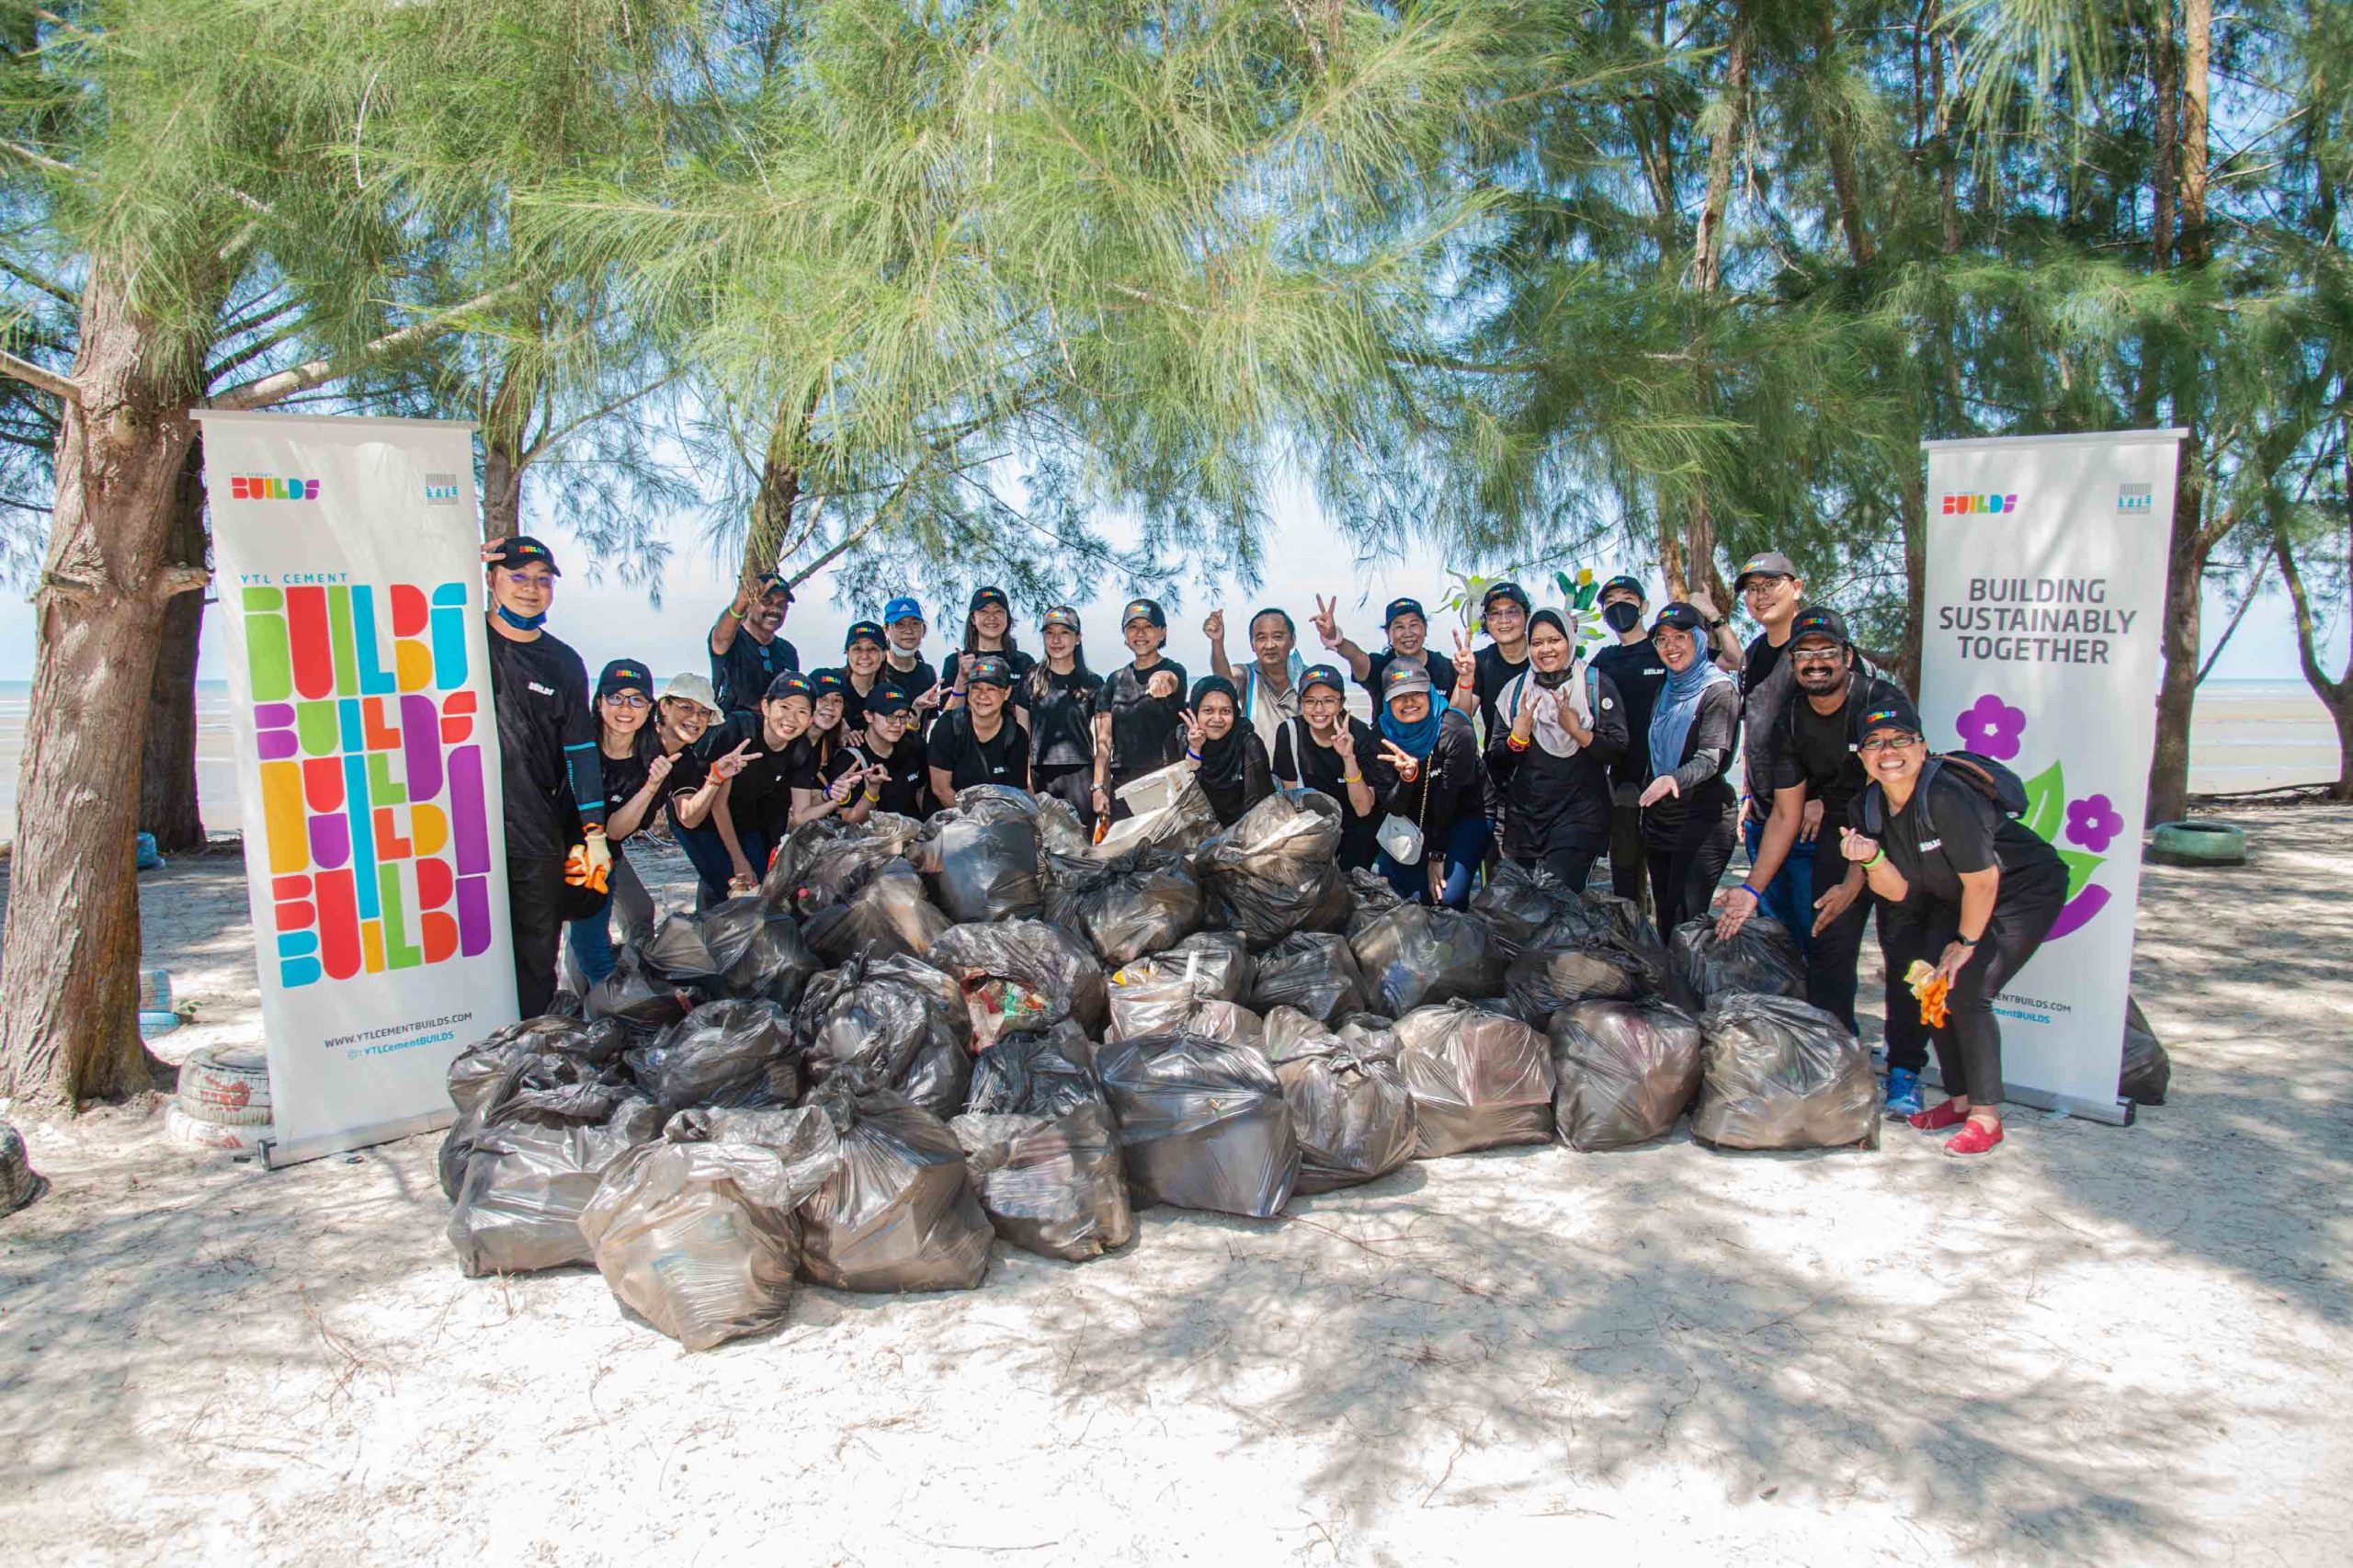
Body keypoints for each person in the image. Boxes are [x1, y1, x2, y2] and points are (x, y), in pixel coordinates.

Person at [1839, 694, 2069, 1156]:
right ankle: (1960, 1100)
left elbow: (1984, 880)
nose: (1888, 752)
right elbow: (1899, 891)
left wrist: (1964, 943)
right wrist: (1871, 858)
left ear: (1922, 747)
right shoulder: (1866, 808)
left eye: (1900, 740)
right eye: (1875, 743)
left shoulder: (1945, 796)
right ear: (1862, 757)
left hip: (2021, 889)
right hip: (1957, 894)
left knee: (1966, 987)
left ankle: (1986, 1116)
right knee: (1928, 983)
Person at [1714, 608, 1915, 1080]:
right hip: (1839, 840)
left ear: (1848, 656)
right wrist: (1751, 890)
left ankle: (1906, 1069)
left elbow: (1889, 798)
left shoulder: (1879, 704)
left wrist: (1854, 881)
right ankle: (1837, 1056)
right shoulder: (1793, 720)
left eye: (1827, 652)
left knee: (1903, 950)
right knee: (1829, 946)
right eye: (1805, 654)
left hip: (1902, 839)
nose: (1816, 662)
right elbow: (1785, 814)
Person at [482, 536, 607, 1018]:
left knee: (536, 951)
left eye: (542, 580)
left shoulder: (563, 662)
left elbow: (580, 752)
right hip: (463, 827)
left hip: (535, 830)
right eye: (517, 576)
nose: (530, 589)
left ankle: (525, 1047)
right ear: (493, 580)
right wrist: (460, 559)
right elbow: (402, 613)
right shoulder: (464, 640)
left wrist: (593, 833)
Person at [1710, 550, 1815, 957]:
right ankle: (1785, 1021)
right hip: (1762, 818)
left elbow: (1840, 734)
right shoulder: (1755, 653)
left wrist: (1820, 798)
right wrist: (1750, 795)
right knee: (1775, 940)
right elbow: (1755, 729)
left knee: (1814, 943)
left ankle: (1822, 1021)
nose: (1761, 597)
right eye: (1753, 591)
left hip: (1808, 823)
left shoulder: (1815, 651)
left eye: (1771, 586)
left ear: (1797, 587)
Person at [1483, 608, 1628, 893]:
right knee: (1524, 906)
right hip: (1526, 819)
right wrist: (1517, 738)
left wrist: (1579, 732)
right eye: (1537, 643)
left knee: (1559, 895)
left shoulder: (1594, 685)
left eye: (1555, 640)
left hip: (1580, 815)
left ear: (1569, 641)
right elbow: (1496, 764)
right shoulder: (1514, 693)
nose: (1546, 649)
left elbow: (1617, 750)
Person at [1636, 602, 1740, 932]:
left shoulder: (1718, 689)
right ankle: (1671, 983)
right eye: (1662, 640)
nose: (1671, 647)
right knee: (1666, 917)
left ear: (1698, 639)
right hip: (1661, 819)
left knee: (1687, 919)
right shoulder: (1667, 688)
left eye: (1680, 637)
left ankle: (1689, 984)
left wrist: (1671, 779)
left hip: (1702, 819)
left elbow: (1712, 758)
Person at [565, 659, 660, 987]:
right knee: (578, 938)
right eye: (616, 697)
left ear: (649, 708)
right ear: (599, 702)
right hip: (561, 850)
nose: (626, 708)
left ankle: (617, 996)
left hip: (605, 853)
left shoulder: (650, 757)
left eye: (637, 699)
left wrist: (650, 787)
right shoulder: (575, 742)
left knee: (625, 920)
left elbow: (616, 832)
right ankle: (586, 1004)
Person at [1373, 662, 1487, 904]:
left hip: (1464, 814)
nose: (1409, 702)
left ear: (1431, 692)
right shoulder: (1382, 736)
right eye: (1399, 697)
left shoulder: (1456, 730)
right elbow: (1393, 806)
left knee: (1447, 898)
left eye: (1417, 693)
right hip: (1413, 819)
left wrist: (1437, 857)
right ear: (1386, 701)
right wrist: (1407, 779)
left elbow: (1451, 797)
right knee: (1408, 898)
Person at [1588, 575, 1668, 910]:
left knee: (1667, 876)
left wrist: (1715, 618)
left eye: (1627, 598)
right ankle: (1632, 939)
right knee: (1624, 873)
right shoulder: (1604, 659)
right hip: (1622, 782)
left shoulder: (1665, 649)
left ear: (1644, 606)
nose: (1618, 606)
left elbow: (1731, 662)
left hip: (1666, 778)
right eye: (1610, 602)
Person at [635, 673, 748, 909]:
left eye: (704, 712)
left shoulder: (686, 759)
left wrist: (714, 779)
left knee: (639, 915)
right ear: (664, 707)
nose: (695, 718)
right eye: (686, 707)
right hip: (582, 834)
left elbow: (688, 817)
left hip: (610, 842)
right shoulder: (636, 737)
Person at [1272, 663, 1398, 872]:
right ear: (1301, 703)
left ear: (1341, 703)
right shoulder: (1290, 732)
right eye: (1310, 701)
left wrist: (1348, 757)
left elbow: (1363, 808)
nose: (1319, 709)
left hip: (1356, 828)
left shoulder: (1362, 736)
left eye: (1328, 701)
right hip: (1313, 826)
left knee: (1349, 885)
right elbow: (1292, 799)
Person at [708, 670, 820, 893]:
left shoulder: (801, 749)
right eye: (785, 707)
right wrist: (738, 859)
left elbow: (800, 814)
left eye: (801, 711)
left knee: (757, 881)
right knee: (723, 878)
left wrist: (834, 797)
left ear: (810, 720)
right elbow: (717, 805)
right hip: (703, 815)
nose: (791, 718)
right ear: (766, 707)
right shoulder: (738, 732)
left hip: (749, 816)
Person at [1090, 597, 1189, 822]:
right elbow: (1104, 743)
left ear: (1162, 632)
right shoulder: (1114, 681)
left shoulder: (1175, 670)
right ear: (1125, 636)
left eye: (1148, 627)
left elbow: (1170, 680)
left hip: (1165, 779)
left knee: (1166, 854)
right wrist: (1098, 788)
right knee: (1125, 854)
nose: (1140, 633)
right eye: (1133, 627)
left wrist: (1160, 680)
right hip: (1123, 783)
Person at [1028, 607, 1102, 824]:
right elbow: (1023, 734)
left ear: (1078, 638)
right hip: (1039, 774)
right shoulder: (1031, 680)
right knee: (1042, 849)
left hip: (1080, 776)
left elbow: (1103, 742)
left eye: (1065, 633)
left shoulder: (1093, 683)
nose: (1056, 640)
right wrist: (1026, 784)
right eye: (1049, 633)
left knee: (1079, 850)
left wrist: (1099, 786)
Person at [1312, 594, 1459, 701]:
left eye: (1413, 625)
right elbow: (1356, 656)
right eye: (1399, 627)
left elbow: (1460, 717)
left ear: (1425, 628)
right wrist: (1335, 639)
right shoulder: (1379, 667)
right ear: (1388, 633)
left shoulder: (1446, 667)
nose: (1408, 633)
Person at [929, 654, 1030, 802]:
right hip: (950, 816)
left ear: (1007, 692)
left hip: (995, 818)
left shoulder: (1016, 736)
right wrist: (975, 823)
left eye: (991, 689)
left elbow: (1017, 793)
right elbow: (940, 789)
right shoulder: (948, 726)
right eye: (976, 688)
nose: (982, 696)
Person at [1206, 606, 1303, 755]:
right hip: (1257, 771)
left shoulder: (1307, 678)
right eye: (1261, 638)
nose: (1269, 645)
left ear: (1292, 640)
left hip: (1301, 773)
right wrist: (1217, 642)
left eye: (1277, 636)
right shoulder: (1248, 675)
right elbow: (1224, 678)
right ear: (1252, 645)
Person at [1182, 675, 1274, 826]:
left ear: (1235, 713)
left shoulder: (1248, 743)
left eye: (1225, 711)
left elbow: (1260, 805)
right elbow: (1180, 800)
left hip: (1242, 831)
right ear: (1195, 711)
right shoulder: (1179, 739)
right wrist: (1194, 748)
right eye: (1208, 710)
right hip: (1195, 830)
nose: (1217, 718)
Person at [1448, 580, 1532, 744]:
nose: (1504, 620)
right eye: (1495, 614)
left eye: (1512, 612)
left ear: (1527, 616)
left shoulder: (1543, 656)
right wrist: (1465, 679)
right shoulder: (1479, 662)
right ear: (1486, 621)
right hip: (1498, 763)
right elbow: (1458, 721)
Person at [706, 573, 801, 718]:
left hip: (769, 734)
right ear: (749, 605)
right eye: (767, 602)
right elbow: (720, 637)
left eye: (782, 605)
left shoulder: (788, 651)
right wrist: (741, 602)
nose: (775, 610)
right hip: (729, 730)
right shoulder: (732, 639)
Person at [835, 681, 930, 822]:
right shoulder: (850, 759)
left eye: (903, 717)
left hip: (915, 835)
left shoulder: (915, 744)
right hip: (874, 840)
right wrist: (873, 788)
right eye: (890, 717)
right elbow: (849, 821)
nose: (898, 725)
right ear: (868, 716)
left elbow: (921, 792)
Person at [942, 586, 1037, 709]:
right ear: (973, 619)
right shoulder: (955, 662)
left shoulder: (1024, 662)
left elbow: (1032, 712)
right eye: (984, 611)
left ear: (1007, 618)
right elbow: (947, 718)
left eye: (998, 611)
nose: (992, 617)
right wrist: (961, 678)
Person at [881, 596, 943, 722]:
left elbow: (926, 723)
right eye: (900, 625)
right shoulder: (875, 669)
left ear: (923, 629)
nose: (908, 631)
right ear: (886, 629)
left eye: (915, 624)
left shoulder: (927, 673)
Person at [838, 620, 890, 735]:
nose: (864, 656)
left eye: (872, 649)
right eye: (857, 649)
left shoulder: (889, 694)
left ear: (884, 655)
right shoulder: (831, 685)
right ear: (847, 653)